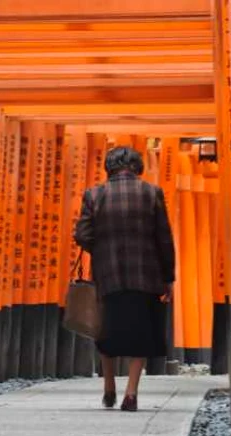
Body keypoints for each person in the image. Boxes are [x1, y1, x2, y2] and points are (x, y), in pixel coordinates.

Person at [73, 146, 176, 412]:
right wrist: (168, 276)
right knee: (140, 331)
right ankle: (131, 392)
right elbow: (163, 237)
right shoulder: (152, 193)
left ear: (109, 167)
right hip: (146, 272)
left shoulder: (94, 194)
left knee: (106, 329)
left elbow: (82, 234)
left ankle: (109, 387)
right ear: (137, 166)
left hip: (108, 274)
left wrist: (103, 248)